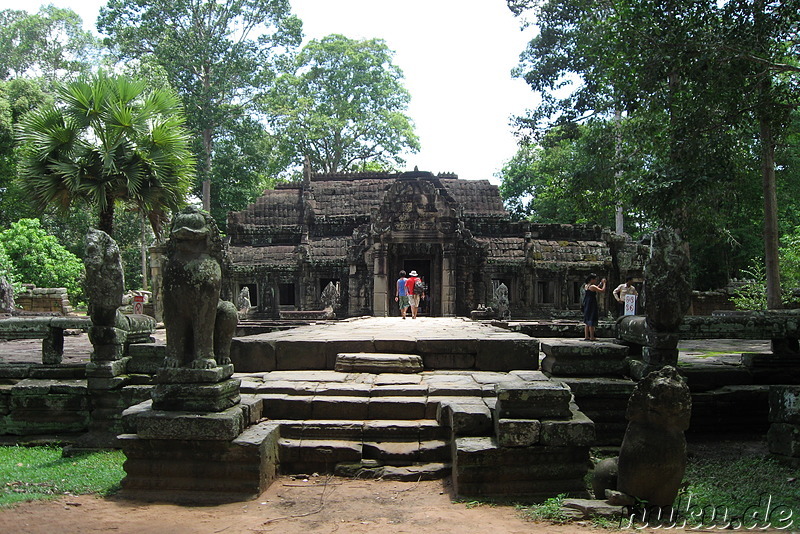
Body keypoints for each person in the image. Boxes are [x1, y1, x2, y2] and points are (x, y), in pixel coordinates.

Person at [582, 273, 606, 341]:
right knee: (591, 319)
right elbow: (602, 291)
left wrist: (600, 284)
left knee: (587, 319)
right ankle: (592, 336)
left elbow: (596, 288)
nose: (595, 280)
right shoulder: (592, 286)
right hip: (591, 303)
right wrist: (604, 283)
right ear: (592, 279)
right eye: (595, 279)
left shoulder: (586, 285)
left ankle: (586, 336)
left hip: (587, 303)